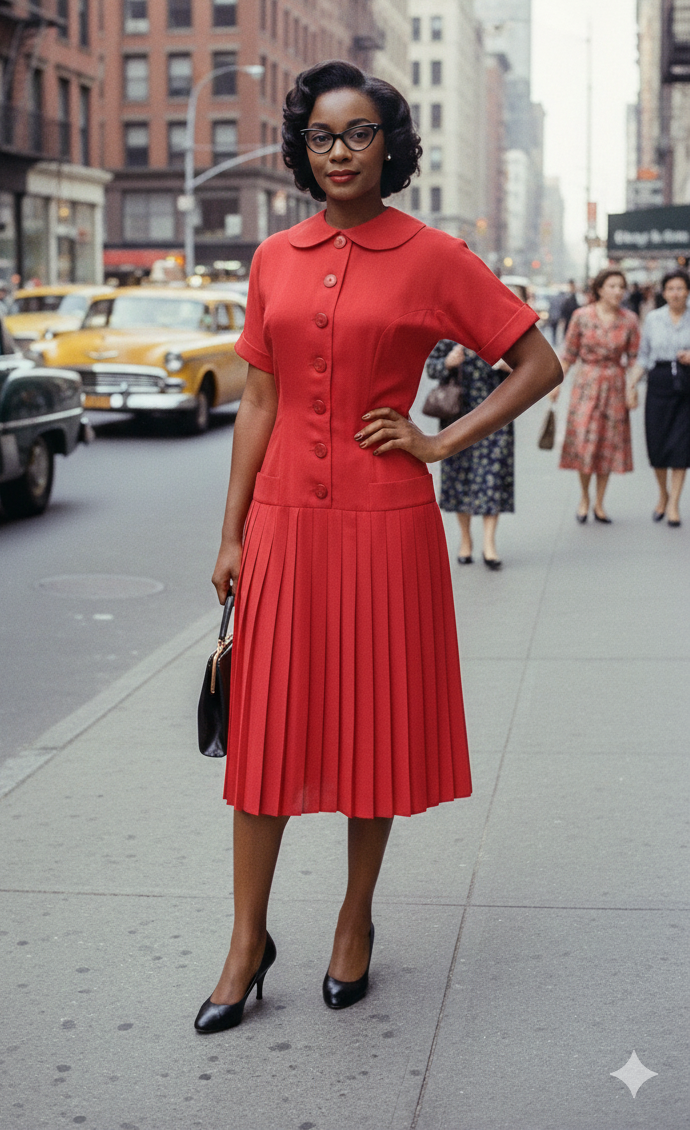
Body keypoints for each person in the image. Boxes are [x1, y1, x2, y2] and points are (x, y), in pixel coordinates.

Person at [194, 59, 562, 1035]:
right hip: (281, 526)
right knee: (265, 736)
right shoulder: (274, 254)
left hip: (386, 525)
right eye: (323, 135)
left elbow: (538, 360)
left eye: (359, 134)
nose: (341, 151)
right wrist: (230, 534)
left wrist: (438, 441)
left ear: (389, 146)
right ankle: (247, 941)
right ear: (301, 148)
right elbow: (258, 403)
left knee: (371, 729)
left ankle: (354, 920)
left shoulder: (433, 255)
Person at [551, 268, 641, 523]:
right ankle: (584, 497)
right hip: (587, 384)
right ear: (600, 289)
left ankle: (600, 502)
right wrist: (556, 385)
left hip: (615, 384)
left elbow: (635, 358)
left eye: (621, 287)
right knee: (583, 442)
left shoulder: (629, 320)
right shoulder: (581, 316)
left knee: (607, 445)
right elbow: (568, 354)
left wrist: (632, 388)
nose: (617, 291)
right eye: (612, 286)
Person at [425, 342, 513, 568]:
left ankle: (489, 544)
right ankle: (466, 539)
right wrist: (447, 362)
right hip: (457, 419)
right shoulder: (448, 335)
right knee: (459, 478)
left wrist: (508, 366)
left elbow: (529, 367)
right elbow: (431, 368)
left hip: (496, 415)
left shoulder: (498, 332)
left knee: (493, 477)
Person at [632, 268, 690, 526]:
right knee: (657, 444)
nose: (676, 293)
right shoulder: (654, 319)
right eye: (671, 288)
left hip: (687, 385)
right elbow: (643, 356)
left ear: (687, 291)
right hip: (659, 382)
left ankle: (675, 503)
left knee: (681, 447)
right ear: (664, 292)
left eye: (680, 288)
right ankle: (663, 493)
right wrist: (630, 385)